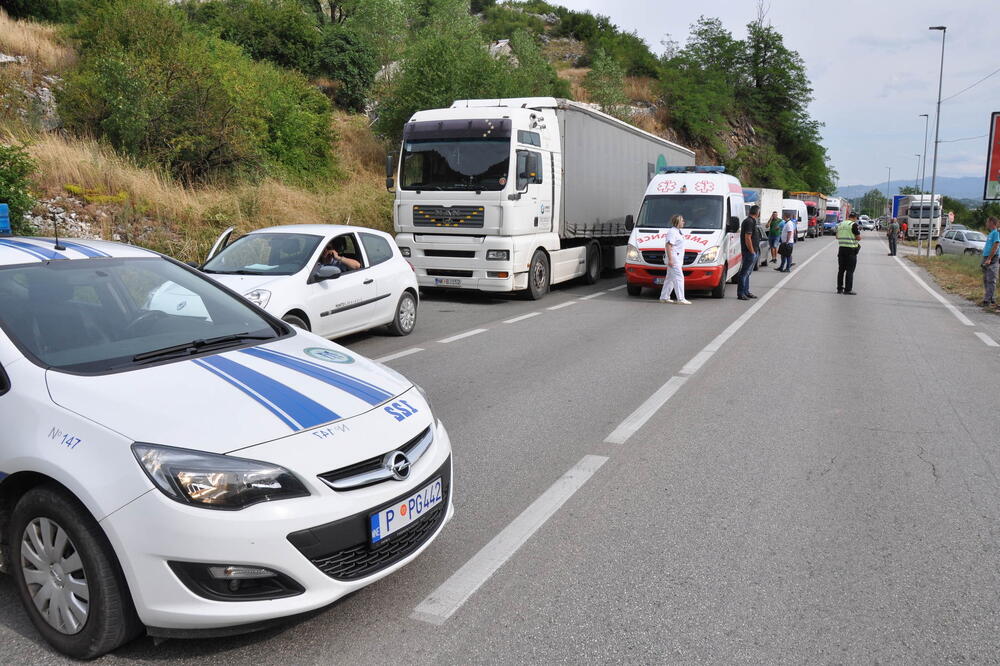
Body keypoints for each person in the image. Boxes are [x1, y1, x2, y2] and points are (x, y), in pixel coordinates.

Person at [659, 214, 691, 304]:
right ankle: (681, 299)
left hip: (677, 258)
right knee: (679, 277)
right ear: (677, 222)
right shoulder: (672, 232)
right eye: (682, 220)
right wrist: (670, 259)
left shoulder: (678, 232)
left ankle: (664, 297)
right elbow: (668, 245)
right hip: (674, 258)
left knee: (669, 278)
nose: (683, 222)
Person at [737, 205, 761, 300]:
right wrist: (752, 251)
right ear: (757, 212)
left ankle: (746, 291)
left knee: (747, 273)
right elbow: (747, 238)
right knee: (744, 273)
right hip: (749, 252)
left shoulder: (751, 221)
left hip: (752, 251)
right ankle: (741, 293)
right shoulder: (749, 222)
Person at [836, 211, 862, 295]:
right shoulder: (853, 225)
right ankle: (847, 290)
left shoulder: (840, 224)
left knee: (841, 270)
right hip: (851, 250)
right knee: (850, 271)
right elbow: (858, 238)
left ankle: (839, 289)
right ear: (854, 218)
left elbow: (837, 236)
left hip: (841, 249)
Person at [981, 216, 999, 308]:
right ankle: (991, 298)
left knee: (991, 279)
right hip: (986, 257)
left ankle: (987, 300)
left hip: (992, 258)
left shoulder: (996, 233)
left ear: (992, 222)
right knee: (986, 279)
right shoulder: (991, 233)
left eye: (987, 222)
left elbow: (996, 245)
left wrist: (989, 258)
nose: (986, 223)